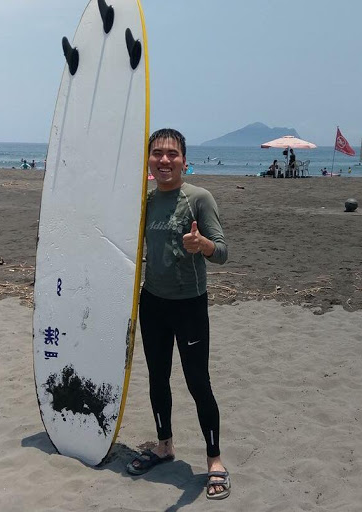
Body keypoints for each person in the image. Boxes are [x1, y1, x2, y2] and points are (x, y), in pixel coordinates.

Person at [126, 128, 230, 500]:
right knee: (157, 377)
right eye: (157, 153)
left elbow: (223, 252)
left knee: (198, 382)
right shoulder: (145, 201)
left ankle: (214, 459)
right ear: (149, 161)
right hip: (152, 302)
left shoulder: (199, 198)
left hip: (189, 305)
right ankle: (164, 445)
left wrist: (202, 244)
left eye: (172, 154)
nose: (164, 160)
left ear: (184, 160)